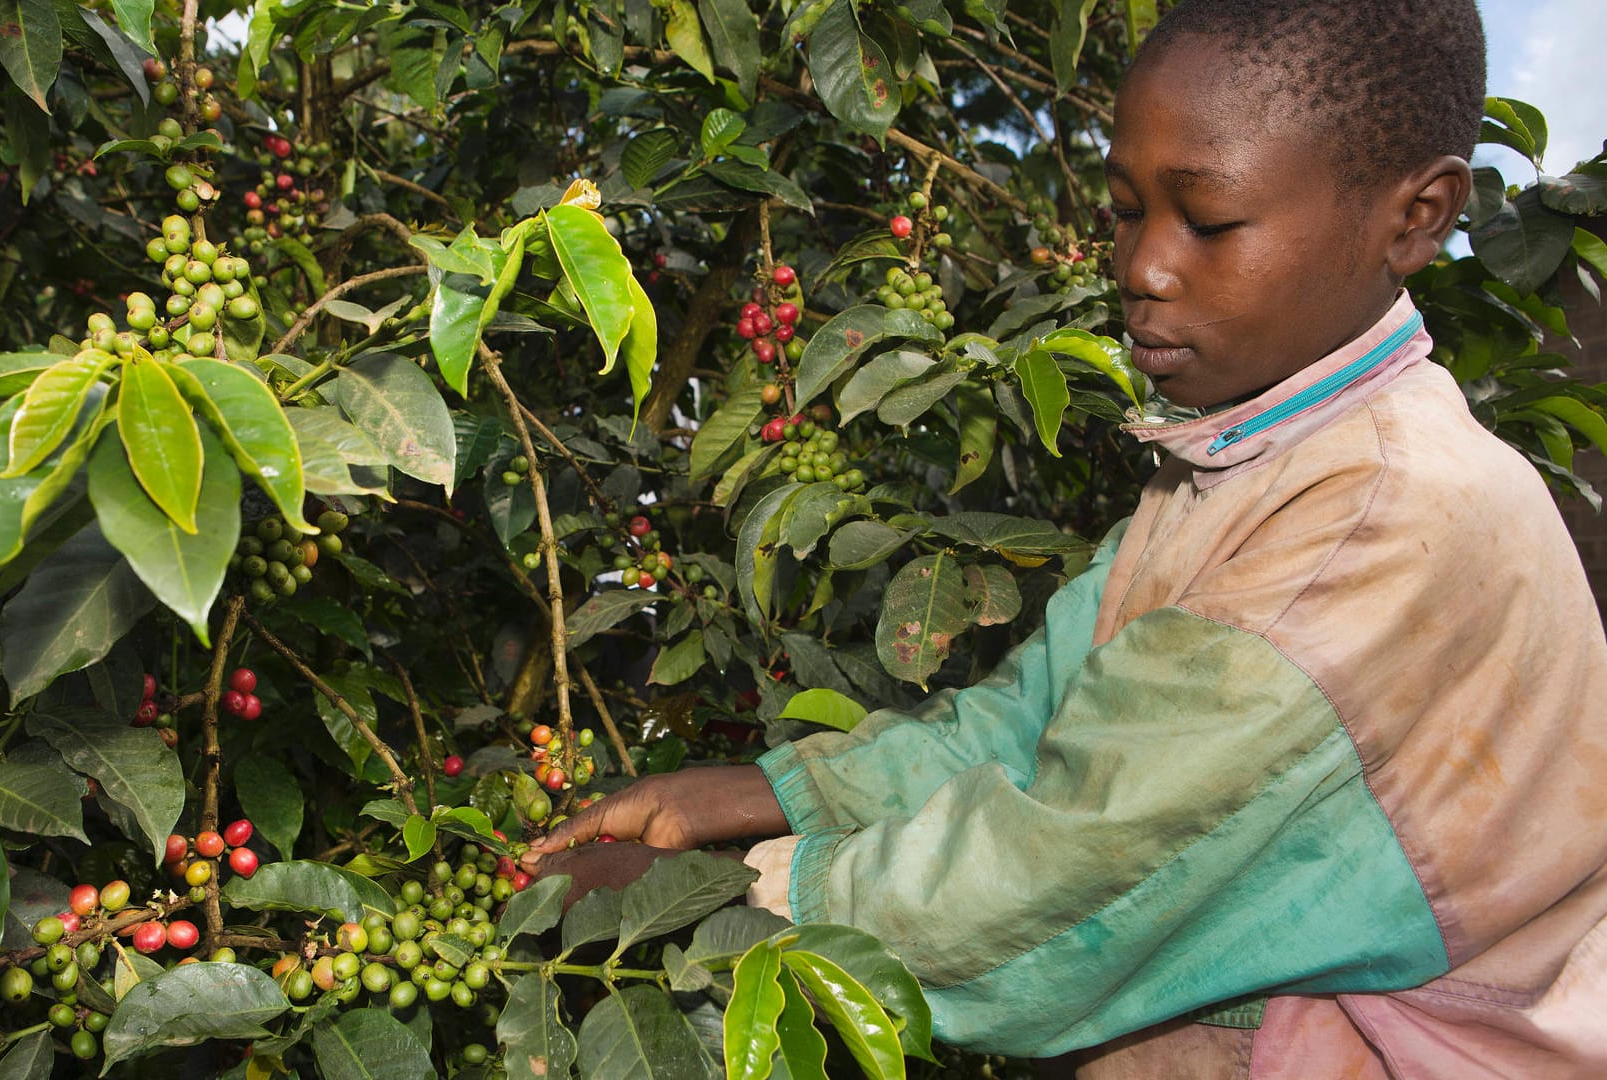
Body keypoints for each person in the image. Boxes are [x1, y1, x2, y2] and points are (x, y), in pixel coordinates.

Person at [522, 1, 1607, 1076]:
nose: (1145, 268)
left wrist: (727, 893)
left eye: (1211, 223)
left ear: (1416, 217)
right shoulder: (1252, 457)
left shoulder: (1378, 519)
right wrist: (777, 794)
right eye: (1129, 212)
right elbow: (1038, 717)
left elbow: (1068, 876)